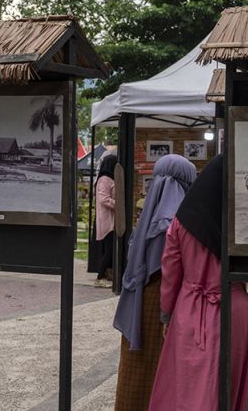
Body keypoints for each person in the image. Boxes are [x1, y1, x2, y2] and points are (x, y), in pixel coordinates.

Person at [149, 155, 248, 411]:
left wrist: (167, 314)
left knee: (187, 386)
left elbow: (170, 274)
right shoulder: (239, 228)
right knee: (233, 385)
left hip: (189, 309)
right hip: (235, 310)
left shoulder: (180, 223)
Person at [113, 154, 197, 410]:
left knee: (135, 365)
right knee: (156, 365)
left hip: (139, 299)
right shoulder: (171, 220)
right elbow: (170, 270)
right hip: (160, 302)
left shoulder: (149, 214)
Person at [94, 154, 118, 288]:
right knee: (109, 250)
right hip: (107, 219)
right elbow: (103, 199)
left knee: (110, 249)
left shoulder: (109, 179)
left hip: (112, 219)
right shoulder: (104, 180)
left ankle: (106, 274)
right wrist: (118, 204)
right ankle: (99, 277)